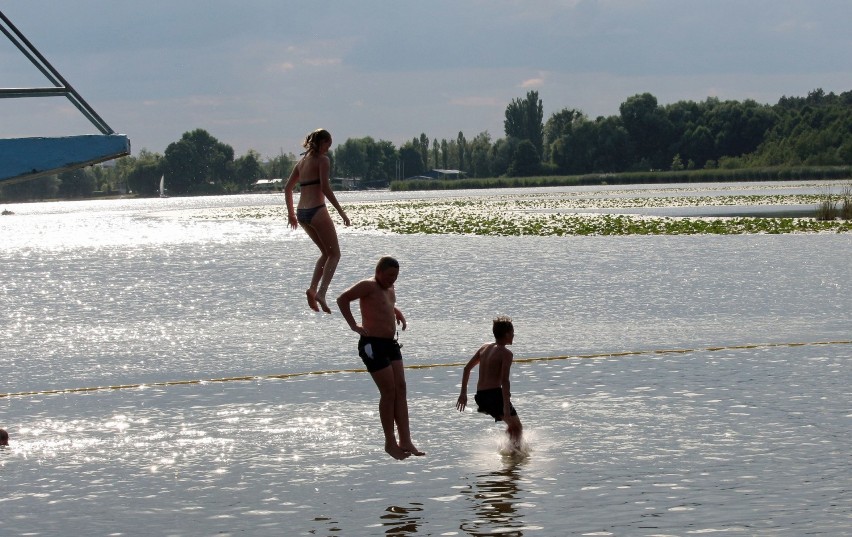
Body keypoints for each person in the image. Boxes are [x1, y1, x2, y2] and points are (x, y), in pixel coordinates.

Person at [336, 256, 424, 460]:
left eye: (396, 276)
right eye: (389, 275)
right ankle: (390, 442)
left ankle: (406, 439)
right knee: (389, 390)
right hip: (371, 344)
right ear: (379, 272)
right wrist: (353, 325)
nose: (393, 280)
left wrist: (396, 311)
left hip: (390, 344)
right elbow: (343, 299)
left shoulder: (389, 289)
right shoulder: (368, 285)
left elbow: (383, 304)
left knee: (401, 388)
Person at [285, 128, 351, 313]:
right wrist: (342, 213)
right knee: (335, 254)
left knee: (325, 253)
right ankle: (321, 292)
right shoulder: (322, 160)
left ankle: (312, 289)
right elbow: (325, 188)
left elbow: (288, 188)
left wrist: (291, 214)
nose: (328, 150)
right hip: (316, 211)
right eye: (327, 145)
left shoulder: (301, 162)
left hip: (302, 213)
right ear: (321, 143)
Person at [456, 316, 523, 448]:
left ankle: (510, 452)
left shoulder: (484, 348)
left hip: (481, 397)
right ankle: (513, 455)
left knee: (513, 426)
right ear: (506, 334)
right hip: (494, 396)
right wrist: (505, 406)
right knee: (518, 427)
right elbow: (505, 381)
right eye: (512, 332)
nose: (514, 335)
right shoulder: (506, 353)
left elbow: (467, 368)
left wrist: (463, 394)